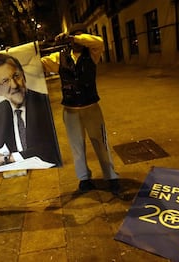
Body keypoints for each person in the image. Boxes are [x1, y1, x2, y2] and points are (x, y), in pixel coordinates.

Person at [41, 23, 120, 195]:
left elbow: (98, 41)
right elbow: (37, 64)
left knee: (101, 143)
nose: (76, 40)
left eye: (79, 36)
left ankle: (111, 176)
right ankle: (84, 178)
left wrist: (72, 37)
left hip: (92, 107)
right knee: (76, 145)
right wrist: (19, 55)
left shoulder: (93, 53)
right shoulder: (58, 57)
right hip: (70, 110)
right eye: (74, 37)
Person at [0, 53, 61, 167]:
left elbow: (48, 148)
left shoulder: (42, 102)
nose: (14, 85)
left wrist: (7, 158)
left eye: (16, 76)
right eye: (5, 81)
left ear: (24, 76)